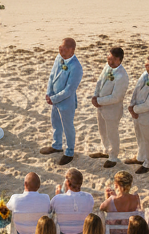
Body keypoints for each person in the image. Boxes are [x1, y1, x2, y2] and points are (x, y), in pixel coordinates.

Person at [41, 37, 83, 166]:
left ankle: (69, 152)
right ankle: (57, 145)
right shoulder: (58, 58)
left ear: (72, 50)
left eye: (63, 49)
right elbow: (52, 76)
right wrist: (49, 93)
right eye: (60, 47)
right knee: (55, 122)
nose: (60, 50)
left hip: (66, 102)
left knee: (68, 127)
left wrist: (53, 98)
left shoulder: (76, 67)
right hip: (54, 99)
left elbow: (69, 90)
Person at [88, 45, 129, 168]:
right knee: (102, 129)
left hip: (112, 109)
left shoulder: (122, 76)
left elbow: (116, 97)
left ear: (119, 60)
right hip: (101, 106)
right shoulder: (107, 67)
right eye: (108, 58)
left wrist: (99, 100)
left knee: (112, 132)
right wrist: (95, 96)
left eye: (113, 59)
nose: (109, 61)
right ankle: (106, 150)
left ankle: (113, 156)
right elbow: (100, 81)